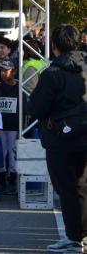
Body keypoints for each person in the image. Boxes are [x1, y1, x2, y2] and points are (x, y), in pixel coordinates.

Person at [29, 24, 87, 253]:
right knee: (83, 186)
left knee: (67, 188)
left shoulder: (52, 73)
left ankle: (74, 238)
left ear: (54, 46)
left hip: (61, 139)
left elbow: (38, 107)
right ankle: (80, 236)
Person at [0, 58, 20, 194]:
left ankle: (13, 181)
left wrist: (22, 128)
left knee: (13, 153)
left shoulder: (20, 87)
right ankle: (2, 181)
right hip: (0, 127)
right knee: (1, 153)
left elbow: (25, 108)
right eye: (1, 71)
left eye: (6, 70)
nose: (3, 73)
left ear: (14, 72)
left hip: (14, 126)